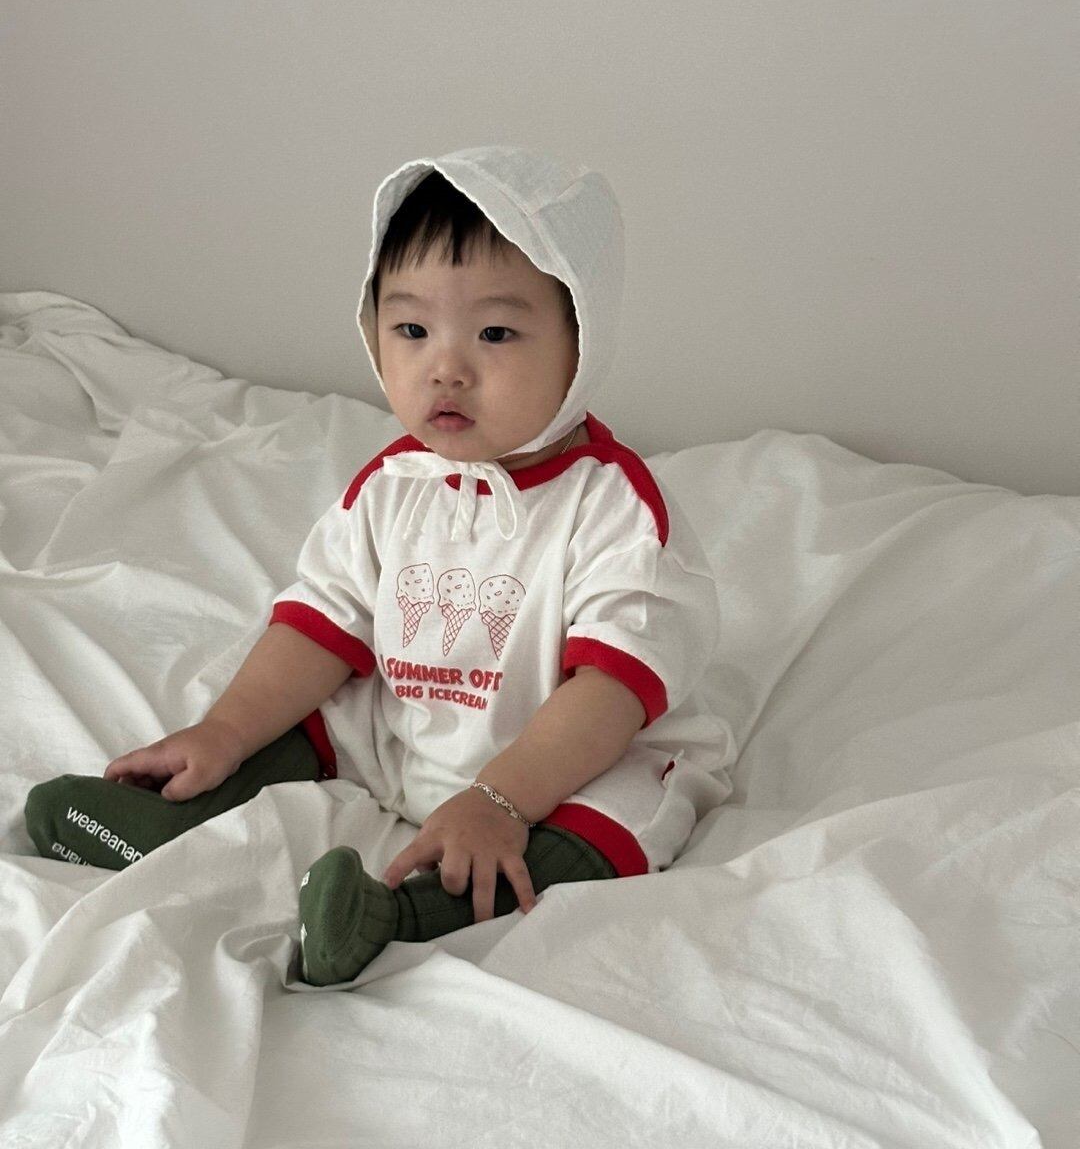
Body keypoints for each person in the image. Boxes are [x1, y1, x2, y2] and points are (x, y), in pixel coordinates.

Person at [24, 144, 731, 987]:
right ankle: (166, 823)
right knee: (318, 708)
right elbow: (320, 625)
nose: (446, 368)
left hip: (566, 757)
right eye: (412, 330)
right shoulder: (392, 488)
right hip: (411, 725)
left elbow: (609, 695)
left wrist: (500, 799)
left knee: (623, 817)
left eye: (495, 333)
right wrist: (224, 730)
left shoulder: (617, 512)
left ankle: (391, 918)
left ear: (583, 340)